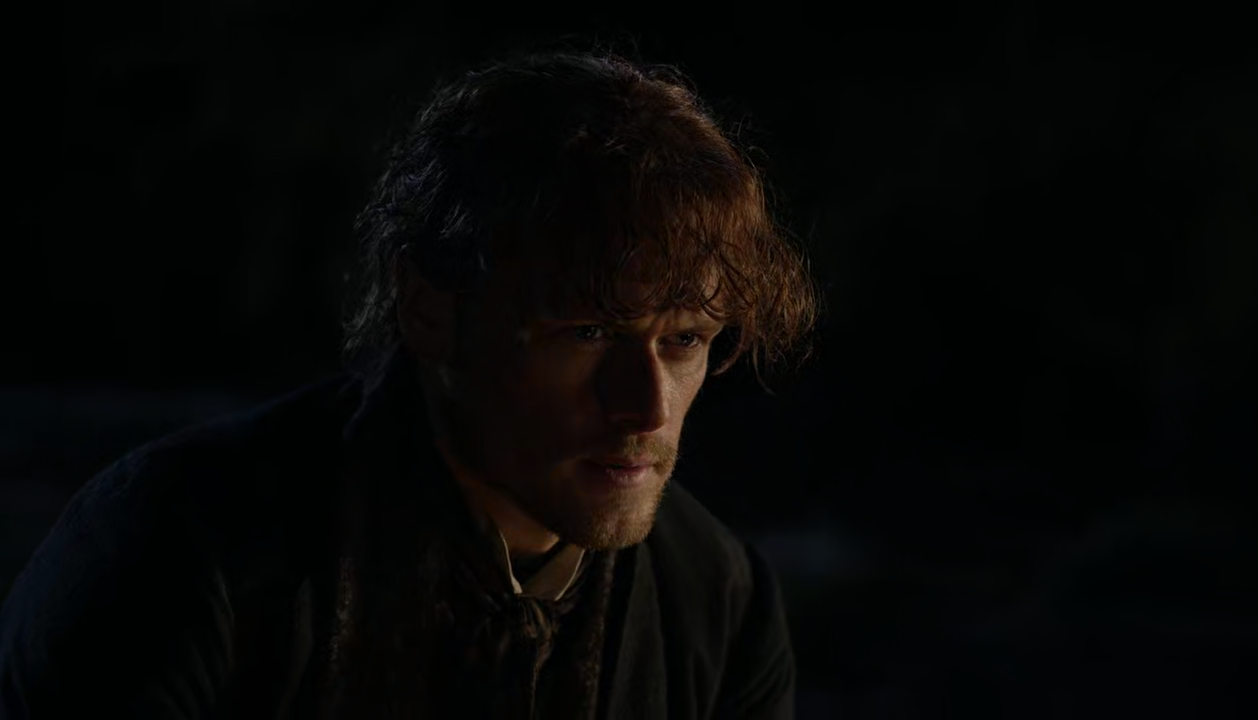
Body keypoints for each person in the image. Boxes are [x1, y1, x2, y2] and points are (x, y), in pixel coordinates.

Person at [0, 49, 818, 719]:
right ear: (429, 307)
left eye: (684, 341)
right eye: (588, 333)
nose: (646, 406)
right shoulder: (179, 554)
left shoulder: (719, 605)